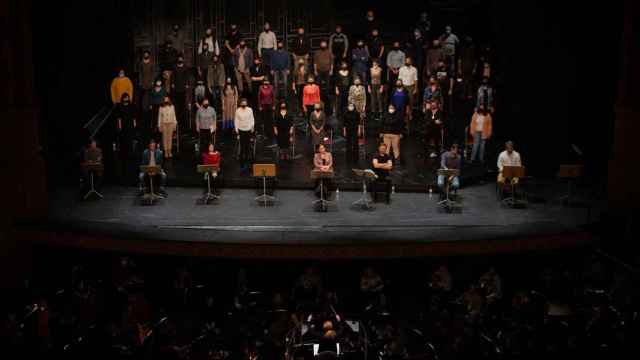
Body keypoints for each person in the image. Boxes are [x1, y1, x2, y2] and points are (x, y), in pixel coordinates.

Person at [234, 98, 255, 171]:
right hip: (241, 130)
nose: (244, 104)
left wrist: (252, 127)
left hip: (248, 130)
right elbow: (236, 120)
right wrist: (237, 131)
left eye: (245, 102)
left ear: (246, 103)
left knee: (248, 147)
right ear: (240, 103)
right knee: (242, 148)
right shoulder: (237, 110)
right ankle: (242, 164)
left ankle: (247, 163)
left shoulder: (250, 110)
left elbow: (252, 119)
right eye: (242, 103)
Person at [171, 55, 192, 127]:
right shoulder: (174, 67)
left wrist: (187, 84)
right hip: (176, 89)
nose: (180, 60)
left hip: (183, 89)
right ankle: (178, 121)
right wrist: (173, 83)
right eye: (179, 59)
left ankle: (184, 123)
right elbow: (173, 76)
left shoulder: (185, 67)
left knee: (183, 106)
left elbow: (187, 76)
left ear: (183, 60)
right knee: (177, 106)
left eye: (181, 59)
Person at [114, 93, 136, 158]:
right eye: (125, 98)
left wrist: (134, 124)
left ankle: (130, 153)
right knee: (123, 140)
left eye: (127, 97)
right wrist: (120, 126)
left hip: (130, 124)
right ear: (123, 98)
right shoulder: (120, 106)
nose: (126, 99)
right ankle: (123, 153)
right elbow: (119, 118)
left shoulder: (131, 106)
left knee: (130, 139)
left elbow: (134, 116)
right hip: (123, 125)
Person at [313, 40, 334, 108]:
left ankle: (327, 94)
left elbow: (332, 62)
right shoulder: (317, 52)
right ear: (320, 45)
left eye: (324, 45)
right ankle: (318, 95)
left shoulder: (329, 52)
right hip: (319, 70)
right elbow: (315, 62)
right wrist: (315, 70)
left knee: (328, 83)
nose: (323, 46)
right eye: (322, 45)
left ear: (326, 45)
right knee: (318, 83)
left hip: (327, 70)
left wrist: (331, 70)